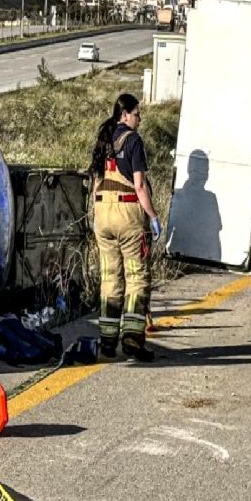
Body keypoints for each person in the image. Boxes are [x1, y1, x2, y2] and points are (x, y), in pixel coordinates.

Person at [90, 93, 160, 362]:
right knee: (136, 277)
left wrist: (96, 215)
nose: (139, 118)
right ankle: (131, 339)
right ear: (125, 115)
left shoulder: (103, 141)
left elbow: (96, 180)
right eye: (137, 113)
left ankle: (107, 341)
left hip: (103, 215)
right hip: (128, 215)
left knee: (109, 278)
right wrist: (152, 216)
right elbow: (140, 186)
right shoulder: (133, 141)